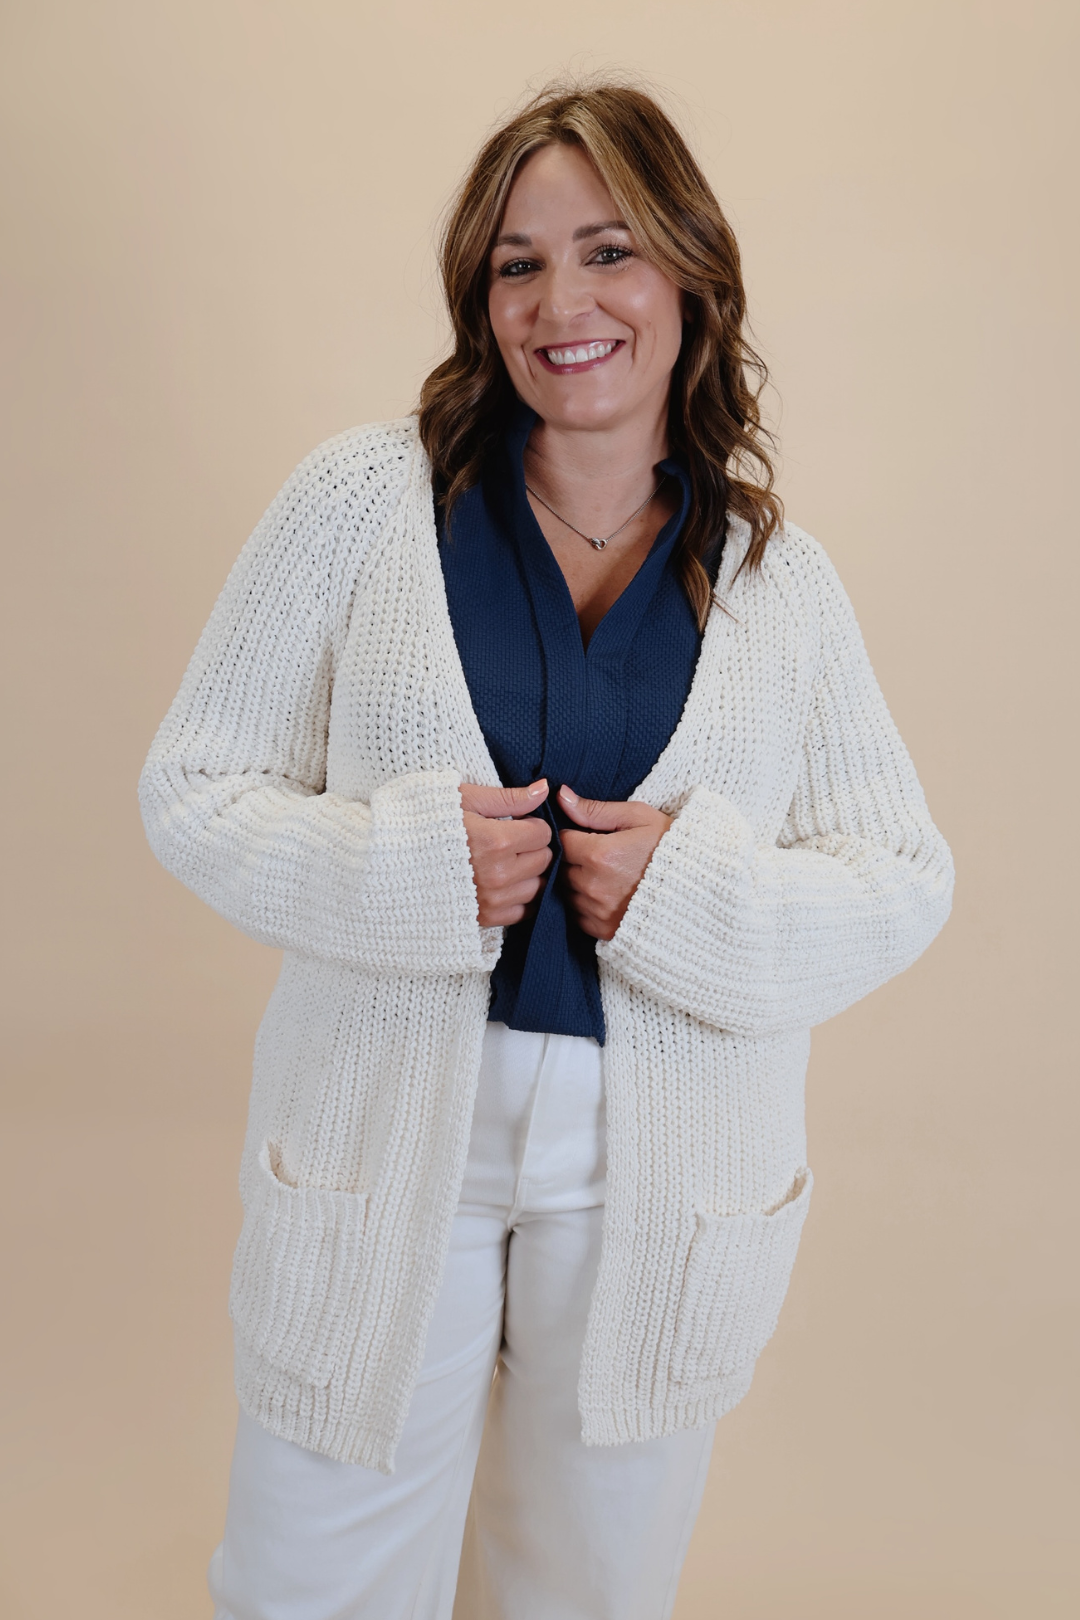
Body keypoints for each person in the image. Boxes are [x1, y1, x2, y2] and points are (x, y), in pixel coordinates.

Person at [139, 80, 953, 1620]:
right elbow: (194, 784)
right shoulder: (362, 504)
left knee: (586, 1596)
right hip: (383, 1152)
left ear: (689, 276)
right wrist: (404, 873)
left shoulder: (775, 580)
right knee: (308, 1588)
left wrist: (688, 895)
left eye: (609, 251)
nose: (563, 303)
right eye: (518, 264)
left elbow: (903, 876)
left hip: (659, 1188)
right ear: (480, 296)